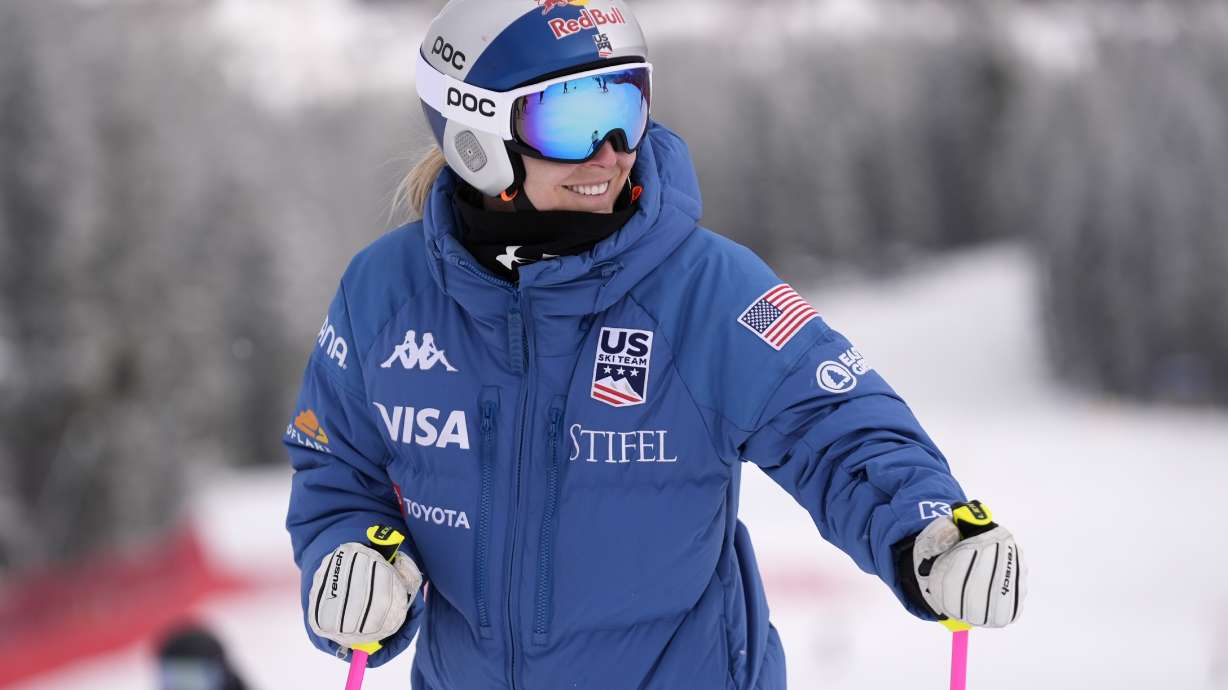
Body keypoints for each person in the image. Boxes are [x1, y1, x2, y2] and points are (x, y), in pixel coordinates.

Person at [283, 1, 1029, 688]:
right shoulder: (385, 297)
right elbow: (339, 472)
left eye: (627, 108)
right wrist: (357, 558)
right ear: (479, 138)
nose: (610, 153)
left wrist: (928, 526)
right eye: (575, 119)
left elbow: (834, 428)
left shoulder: (705, 291)